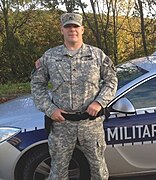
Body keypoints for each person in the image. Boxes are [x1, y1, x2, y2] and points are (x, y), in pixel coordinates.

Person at [31, 12, 118, 180]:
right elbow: (37, 85)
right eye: (68, 26)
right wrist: (50, 109)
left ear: (82, 29)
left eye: (75, 26)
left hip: (90, 125)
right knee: (58, 173)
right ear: (61, 30)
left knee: (99, 171)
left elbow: (111, 80)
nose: (72, 30)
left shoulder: (97, 55)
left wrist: (100, 103)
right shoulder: (50, 56)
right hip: (62, 125)